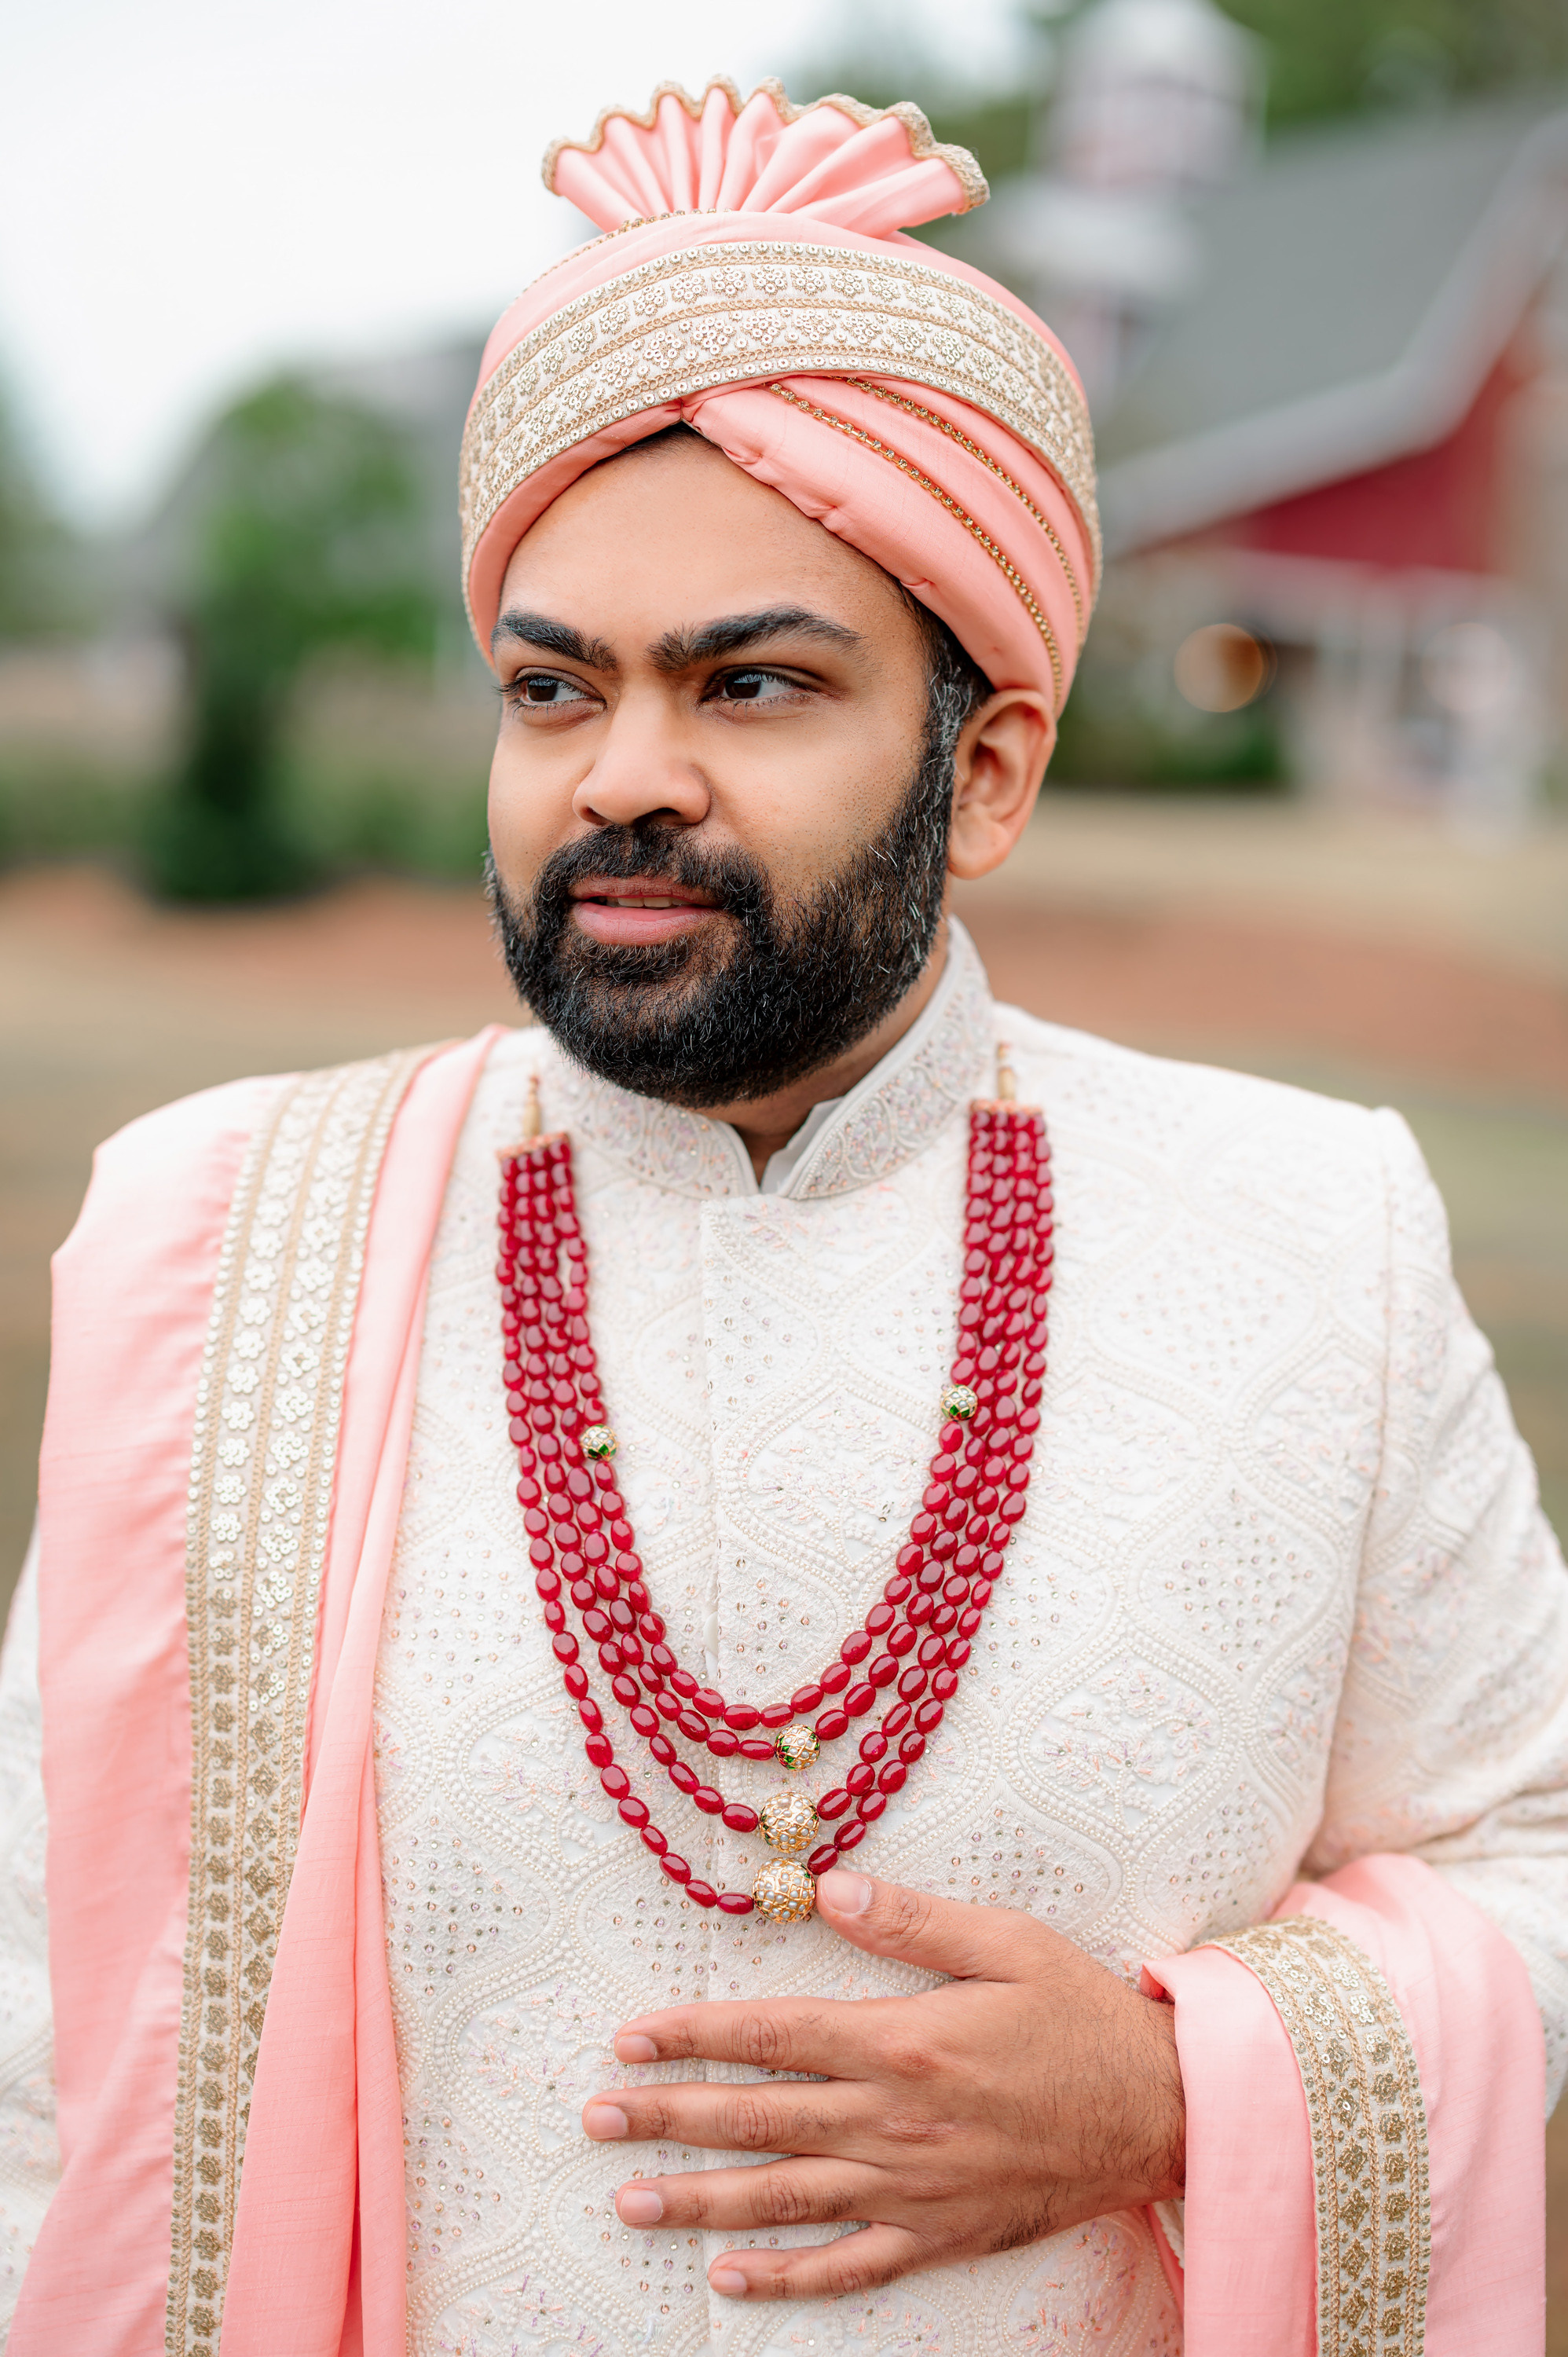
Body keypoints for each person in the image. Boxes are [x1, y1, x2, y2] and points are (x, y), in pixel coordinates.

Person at [2, 75, 1563, 2357]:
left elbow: (1536, 1857)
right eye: (553, 689)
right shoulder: (228, 1253)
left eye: (751, 682)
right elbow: (52, 2052)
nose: (623, 775)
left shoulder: (1315, 1240)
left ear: (985, 770)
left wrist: (1169, 2093)